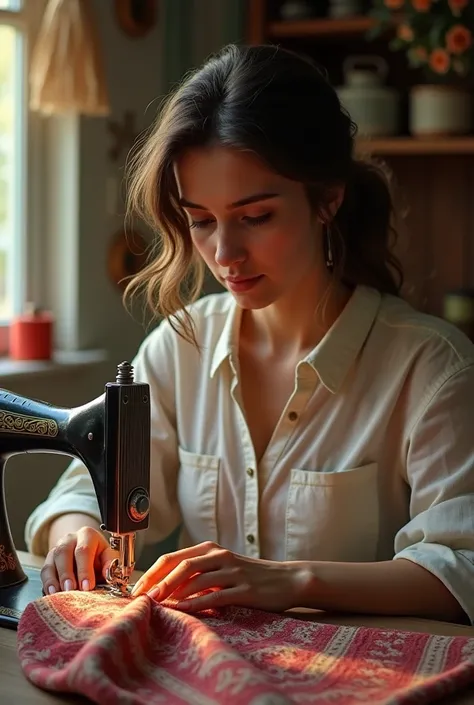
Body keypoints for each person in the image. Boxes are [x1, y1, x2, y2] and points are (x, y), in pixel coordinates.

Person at [25, 43, 474, 625]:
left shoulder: (432, 369)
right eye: (201, 221)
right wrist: (80, 535)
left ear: (327, 200)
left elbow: (461, 564)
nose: (224, 254)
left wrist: (288, 581)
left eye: (256, 217)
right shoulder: (178, 348)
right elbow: (80, 496)